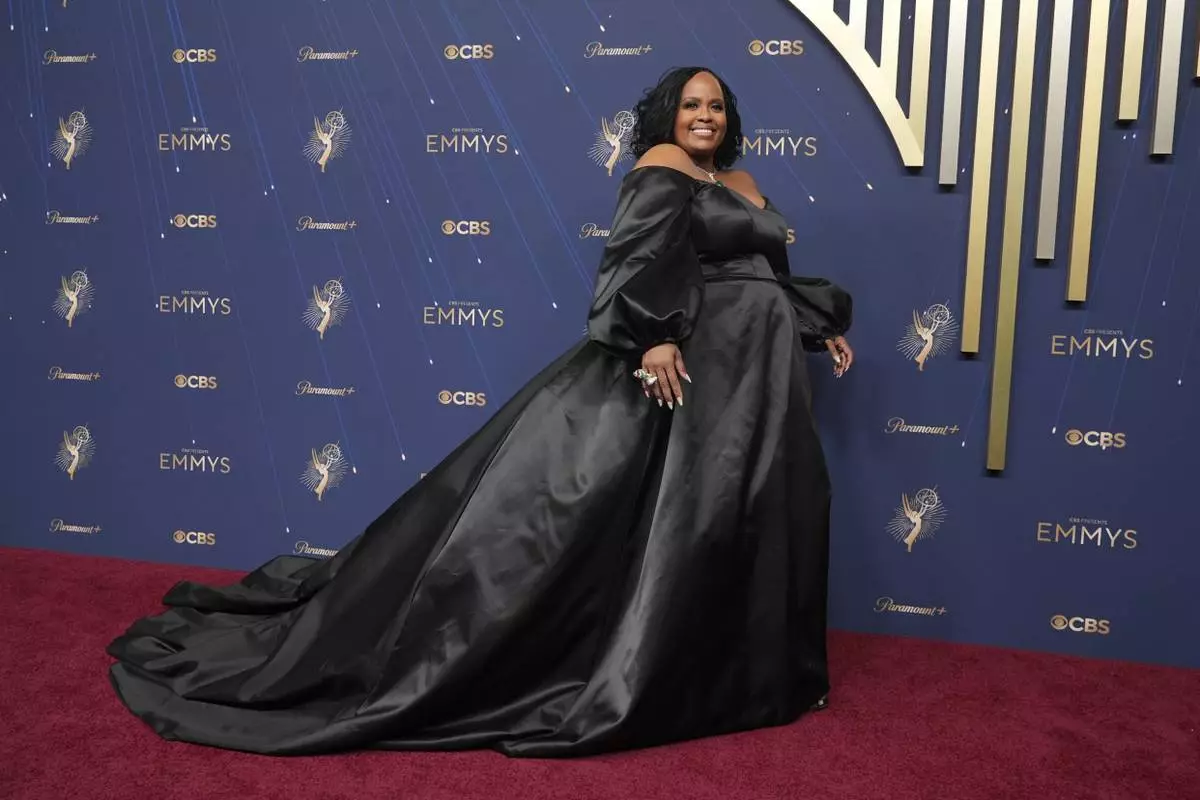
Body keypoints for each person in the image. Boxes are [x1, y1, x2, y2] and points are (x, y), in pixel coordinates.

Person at [106, 66, 854, 758]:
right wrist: (653, 336)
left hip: (762, 370)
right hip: (695, 363)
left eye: (715, 105)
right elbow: (636, 256)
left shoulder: (743, 181)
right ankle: (654, 671)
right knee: (684, 514)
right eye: (690, 105)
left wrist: (816, 327)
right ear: (669, 115)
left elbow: (766, 272)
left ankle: (753, 676)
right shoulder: (661, 167)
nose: (703, 115)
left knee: (756, 510)